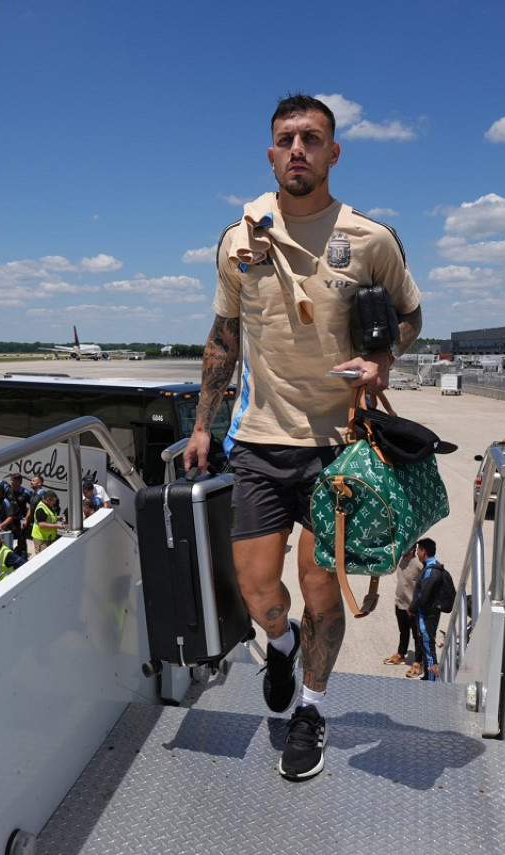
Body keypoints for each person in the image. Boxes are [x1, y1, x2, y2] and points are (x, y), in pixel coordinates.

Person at [183, 93, 423, 781]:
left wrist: (383, 359)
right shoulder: (239, 239)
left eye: (312, 139)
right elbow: (223, 337)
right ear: (270, 153)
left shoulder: (370, 239)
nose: (298, 150)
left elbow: (410, 314)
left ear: (333, 152)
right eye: (286, 138)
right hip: (259, 440)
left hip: (339, 445)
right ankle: (280, 645)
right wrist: (203, 423)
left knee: (321, 588)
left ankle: (312, 708)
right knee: (260, 591)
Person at [409, 538, 455, 681]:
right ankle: (428, 675)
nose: (416, 553)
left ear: (424, 551)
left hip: (426, 615)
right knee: (426, 643)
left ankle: (431, 679)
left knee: (428, 645)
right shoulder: (432, 567)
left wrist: (412, 607)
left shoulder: (431, 571)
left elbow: (424, 596)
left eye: (418, 550)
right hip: (428, 613)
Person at [383, 545, 426, 676]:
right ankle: (401, 654)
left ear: (413, 549)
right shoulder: (401, 559)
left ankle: (419, 663)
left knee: (417, 636)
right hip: (400, 603)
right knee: (403, 631)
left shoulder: (419, 565)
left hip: (413, 607)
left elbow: (425, 587)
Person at [30, 490, 65, 555]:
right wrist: (57, 526)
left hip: (49, 539)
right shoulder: (40, 509)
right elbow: (41, 524)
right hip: (41, 540)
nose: (55, 503)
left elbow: (49, 517)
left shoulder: (49, 506)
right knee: (43, 559)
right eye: (54, 501)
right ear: (48, 499)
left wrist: (59, 518)